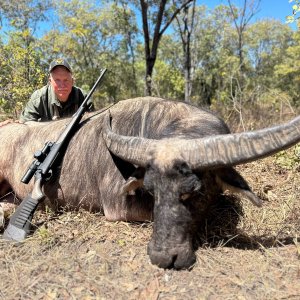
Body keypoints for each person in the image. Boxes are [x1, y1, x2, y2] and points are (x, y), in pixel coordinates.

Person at [18, 58, 92, 123]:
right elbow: (26, 125)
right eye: (57, 80)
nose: (62, 85)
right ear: (50, 82)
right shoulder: (38, 98)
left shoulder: (84, 97)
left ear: (72, 81)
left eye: (66, 80)